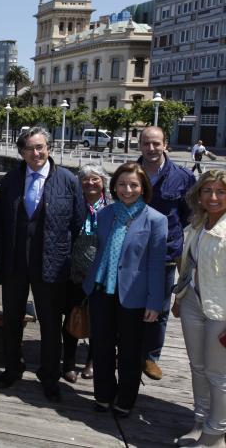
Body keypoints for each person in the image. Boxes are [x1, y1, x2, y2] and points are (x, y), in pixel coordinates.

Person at [0, 126, 85, 402]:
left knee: (49, 324)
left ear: (49, 148)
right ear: (21, 152)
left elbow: (79, 225)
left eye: (40, 147)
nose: (36, 153)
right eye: (29, 148)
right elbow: (1, 224)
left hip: (53, 265)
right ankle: (13, 367)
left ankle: (49, 376)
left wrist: (76, 268)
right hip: (15, 265)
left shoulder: (68, 181)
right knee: (11, 319)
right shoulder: (10, 180)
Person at [84, 162, 167, 418]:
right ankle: (103, 395)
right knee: (101, 346)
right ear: (114, 186)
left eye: (133, 185)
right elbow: (98, 250)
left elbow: (156, 264)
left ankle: (126, 399)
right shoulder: (106, 214)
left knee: (130, 351)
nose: (127, 189)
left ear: (143, 188)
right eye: (122, 184)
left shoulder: (155, 220)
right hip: (101, 290)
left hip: (134, 295)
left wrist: (155, 303)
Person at [138, 126, 196, 380]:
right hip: (135, 251)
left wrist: (172, 235)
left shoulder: (182, 177)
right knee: (131, 303)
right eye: (146, 143)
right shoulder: (132, 172)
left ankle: (151, 357)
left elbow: (189, 214)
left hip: (165, 252)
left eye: (156, 144)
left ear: (165, 145)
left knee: (160, 308)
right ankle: (128, 350)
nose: (151, 148)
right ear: (140, 145)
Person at [174, 170, 226, 447]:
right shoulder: (197, 223)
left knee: (219, 375)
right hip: (193, 302)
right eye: (208, 191)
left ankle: (216, 433)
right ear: (199, 195)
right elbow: (188, 264)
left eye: (221, 191)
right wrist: (179, 297)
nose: (214, 197)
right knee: (197, 367)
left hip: (221, 311)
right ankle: (200, 420)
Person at [63, 164, 109, 383]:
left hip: (100, 272)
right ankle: (69, 362)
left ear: (103, 182)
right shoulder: (73, 205)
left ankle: (92, 361)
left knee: (98, 320)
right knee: (73, 317)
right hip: (75, 271)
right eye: (85, 179)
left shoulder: (110, 207)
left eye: (95, 179)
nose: (90, 183)